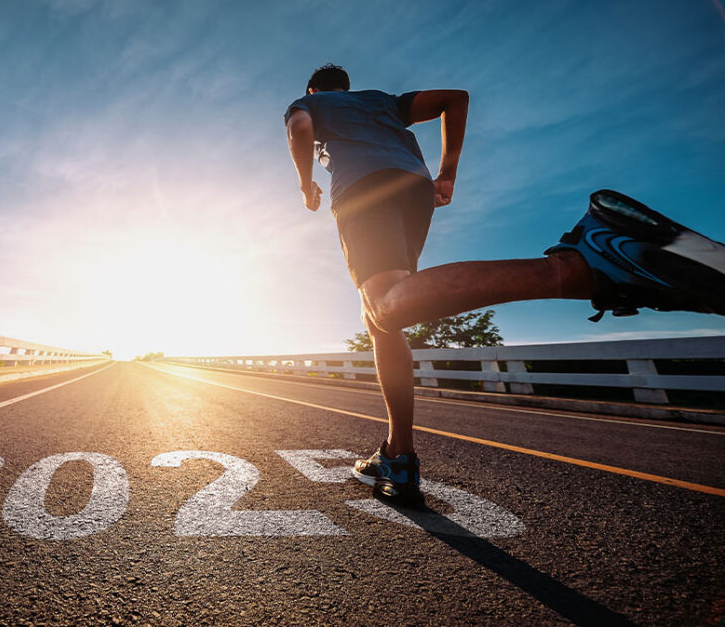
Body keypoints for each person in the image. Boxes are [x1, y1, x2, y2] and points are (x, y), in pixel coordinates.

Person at [284, 63, 725, 507]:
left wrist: (306, 187)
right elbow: (455, 98)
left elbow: (300, 126)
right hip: (413, 187)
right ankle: (397, 454)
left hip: (362, 188)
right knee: (383, 314)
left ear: (314, 89)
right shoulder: (379, 100)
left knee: (385, 306)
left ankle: (587, 261)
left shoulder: (310, 103)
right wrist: (448, 172)